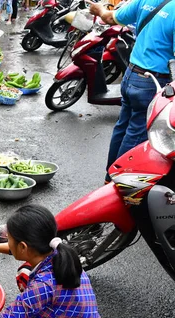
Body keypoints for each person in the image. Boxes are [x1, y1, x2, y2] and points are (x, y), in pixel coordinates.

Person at [87, 0, 175, 182]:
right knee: (136, 133)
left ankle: (109, 177)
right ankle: (118, 181)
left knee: (123, 126)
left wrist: (99, 9)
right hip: (152, 81)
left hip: (131, 75)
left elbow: (109, 17)